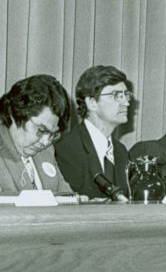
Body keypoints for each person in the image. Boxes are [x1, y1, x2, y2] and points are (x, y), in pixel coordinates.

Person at [53, 65, 132, 200]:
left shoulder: (121, 151)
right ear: (92, 103)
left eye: (126, 95)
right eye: (116, 95)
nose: (126, 103)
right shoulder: (67, 148)